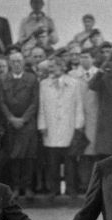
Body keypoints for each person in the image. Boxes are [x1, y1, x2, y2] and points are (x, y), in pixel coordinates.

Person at [37, 56, 84, 196]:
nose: (52, 68)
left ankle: (71, 188)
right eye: (50, 66)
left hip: (68, 126)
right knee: (52, 160)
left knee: (70, 161)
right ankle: (54, 189)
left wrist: (78, 125)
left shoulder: (73, 83)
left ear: (63, 67)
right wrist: (42, 124)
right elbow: (41, 106)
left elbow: (78, 105)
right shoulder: (44, 84)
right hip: (51, 126)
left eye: (55, 65)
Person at [0, 50, 39, 197]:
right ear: (9, 63)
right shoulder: (3, 79)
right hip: (11, 124)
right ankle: (16, 187)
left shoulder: (32, 79)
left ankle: (27, 187)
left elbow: (35, 102)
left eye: (19, 61)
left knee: (28, 156)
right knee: (14, 156)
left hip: (27, 124)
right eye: (13, 61)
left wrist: (23, 119)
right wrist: (11, 118)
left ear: (23, 62)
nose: (16, 64)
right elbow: (1, 102)